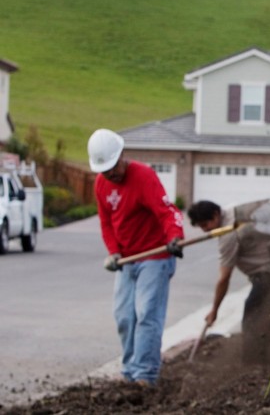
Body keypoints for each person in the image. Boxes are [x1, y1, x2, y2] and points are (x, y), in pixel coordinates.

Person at [88, 128, 184, 386]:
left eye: (113, 168)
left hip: (155, 256)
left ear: (121, 155)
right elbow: (106, 222)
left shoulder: (143, 176)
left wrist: (175, 236)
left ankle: (145, 374)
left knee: (146, 314)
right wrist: (113, 251)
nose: (111, 174)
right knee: (124, 316)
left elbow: (167, 211)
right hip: (127, 260)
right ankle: (129, 372)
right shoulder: (101, 184)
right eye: (104, 170)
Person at [186, 199, 270, 331]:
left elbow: (224, 278)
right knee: (268, 314)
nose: (205, 230)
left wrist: (214, 310)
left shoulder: (228, 237)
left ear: (216, 214)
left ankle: (257, 348)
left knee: (252, 317)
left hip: (268, 274)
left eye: (206, 224)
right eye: (201, 227)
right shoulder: (232, 210)